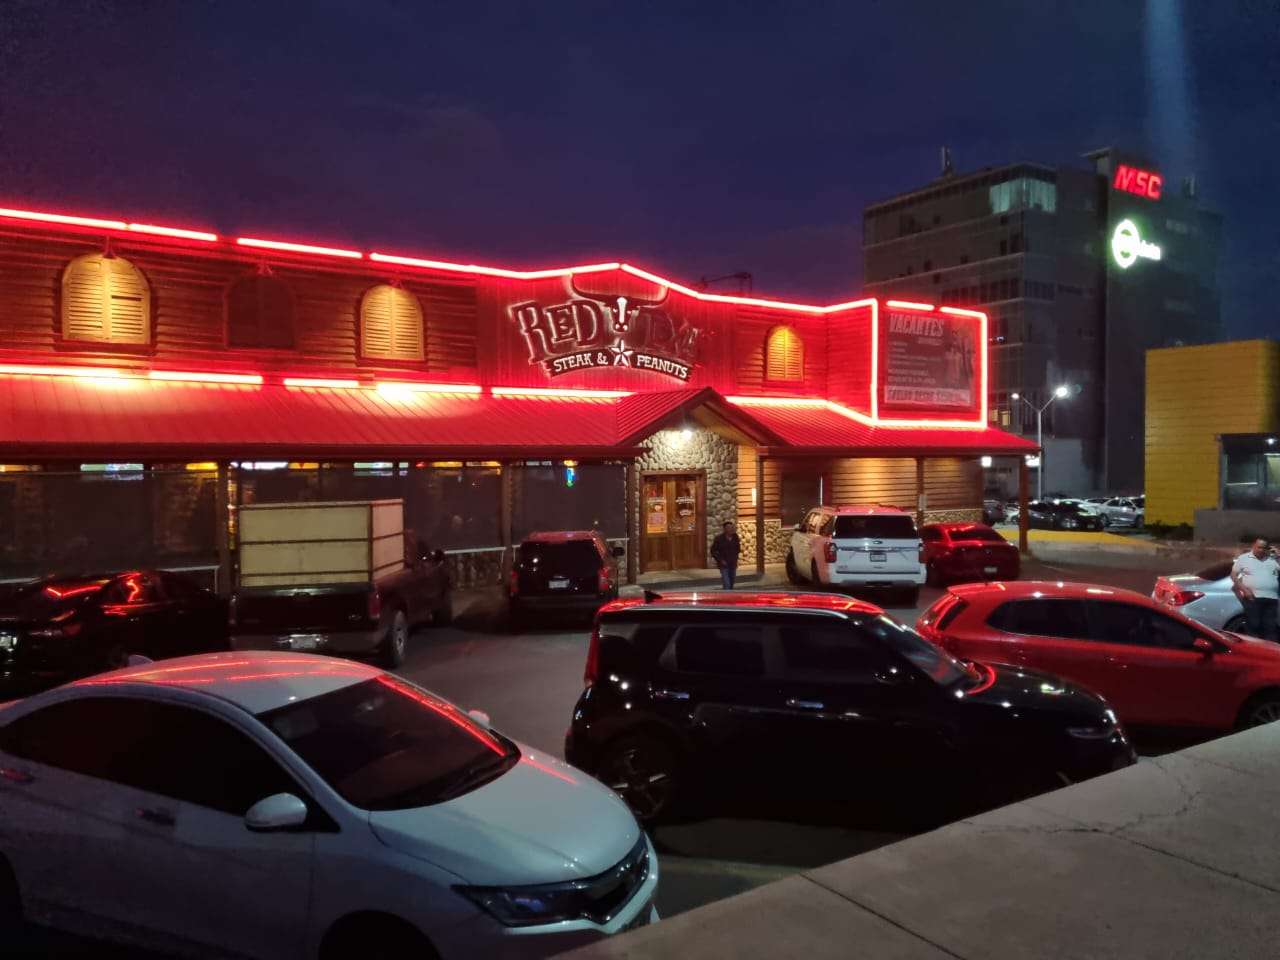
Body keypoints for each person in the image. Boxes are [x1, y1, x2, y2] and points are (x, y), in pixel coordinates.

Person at [1231, 537, 1280, 640]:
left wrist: (1278, 556)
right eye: (1259, 547)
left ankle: (1269, 649)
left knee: (1270, 629)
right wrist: (1245, 590)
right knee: (1253, 627)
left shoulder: (1273, 559)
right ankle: (1254, 648)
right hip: (1253, 598)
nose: (1261, 550)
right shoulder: (1244, 558)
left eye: (1264, 548)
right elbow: (1233, 575)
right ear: (1253, 546)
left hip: (1271, 599)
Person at [710, 520, 740, 590]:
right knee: (727, 583)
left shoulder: (735, 537)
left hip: (732, 563)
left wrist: (735, 558)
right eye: (728, 528)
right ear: (724, 529)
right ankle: (727, 593)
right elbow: (713, 551)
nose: (730, 529)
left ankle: (729, 594)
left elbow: (738, 549)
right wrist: (720, 560)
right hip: (723, 564)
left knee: (732, 581)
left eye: (731, 527)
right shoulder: (719, 538)